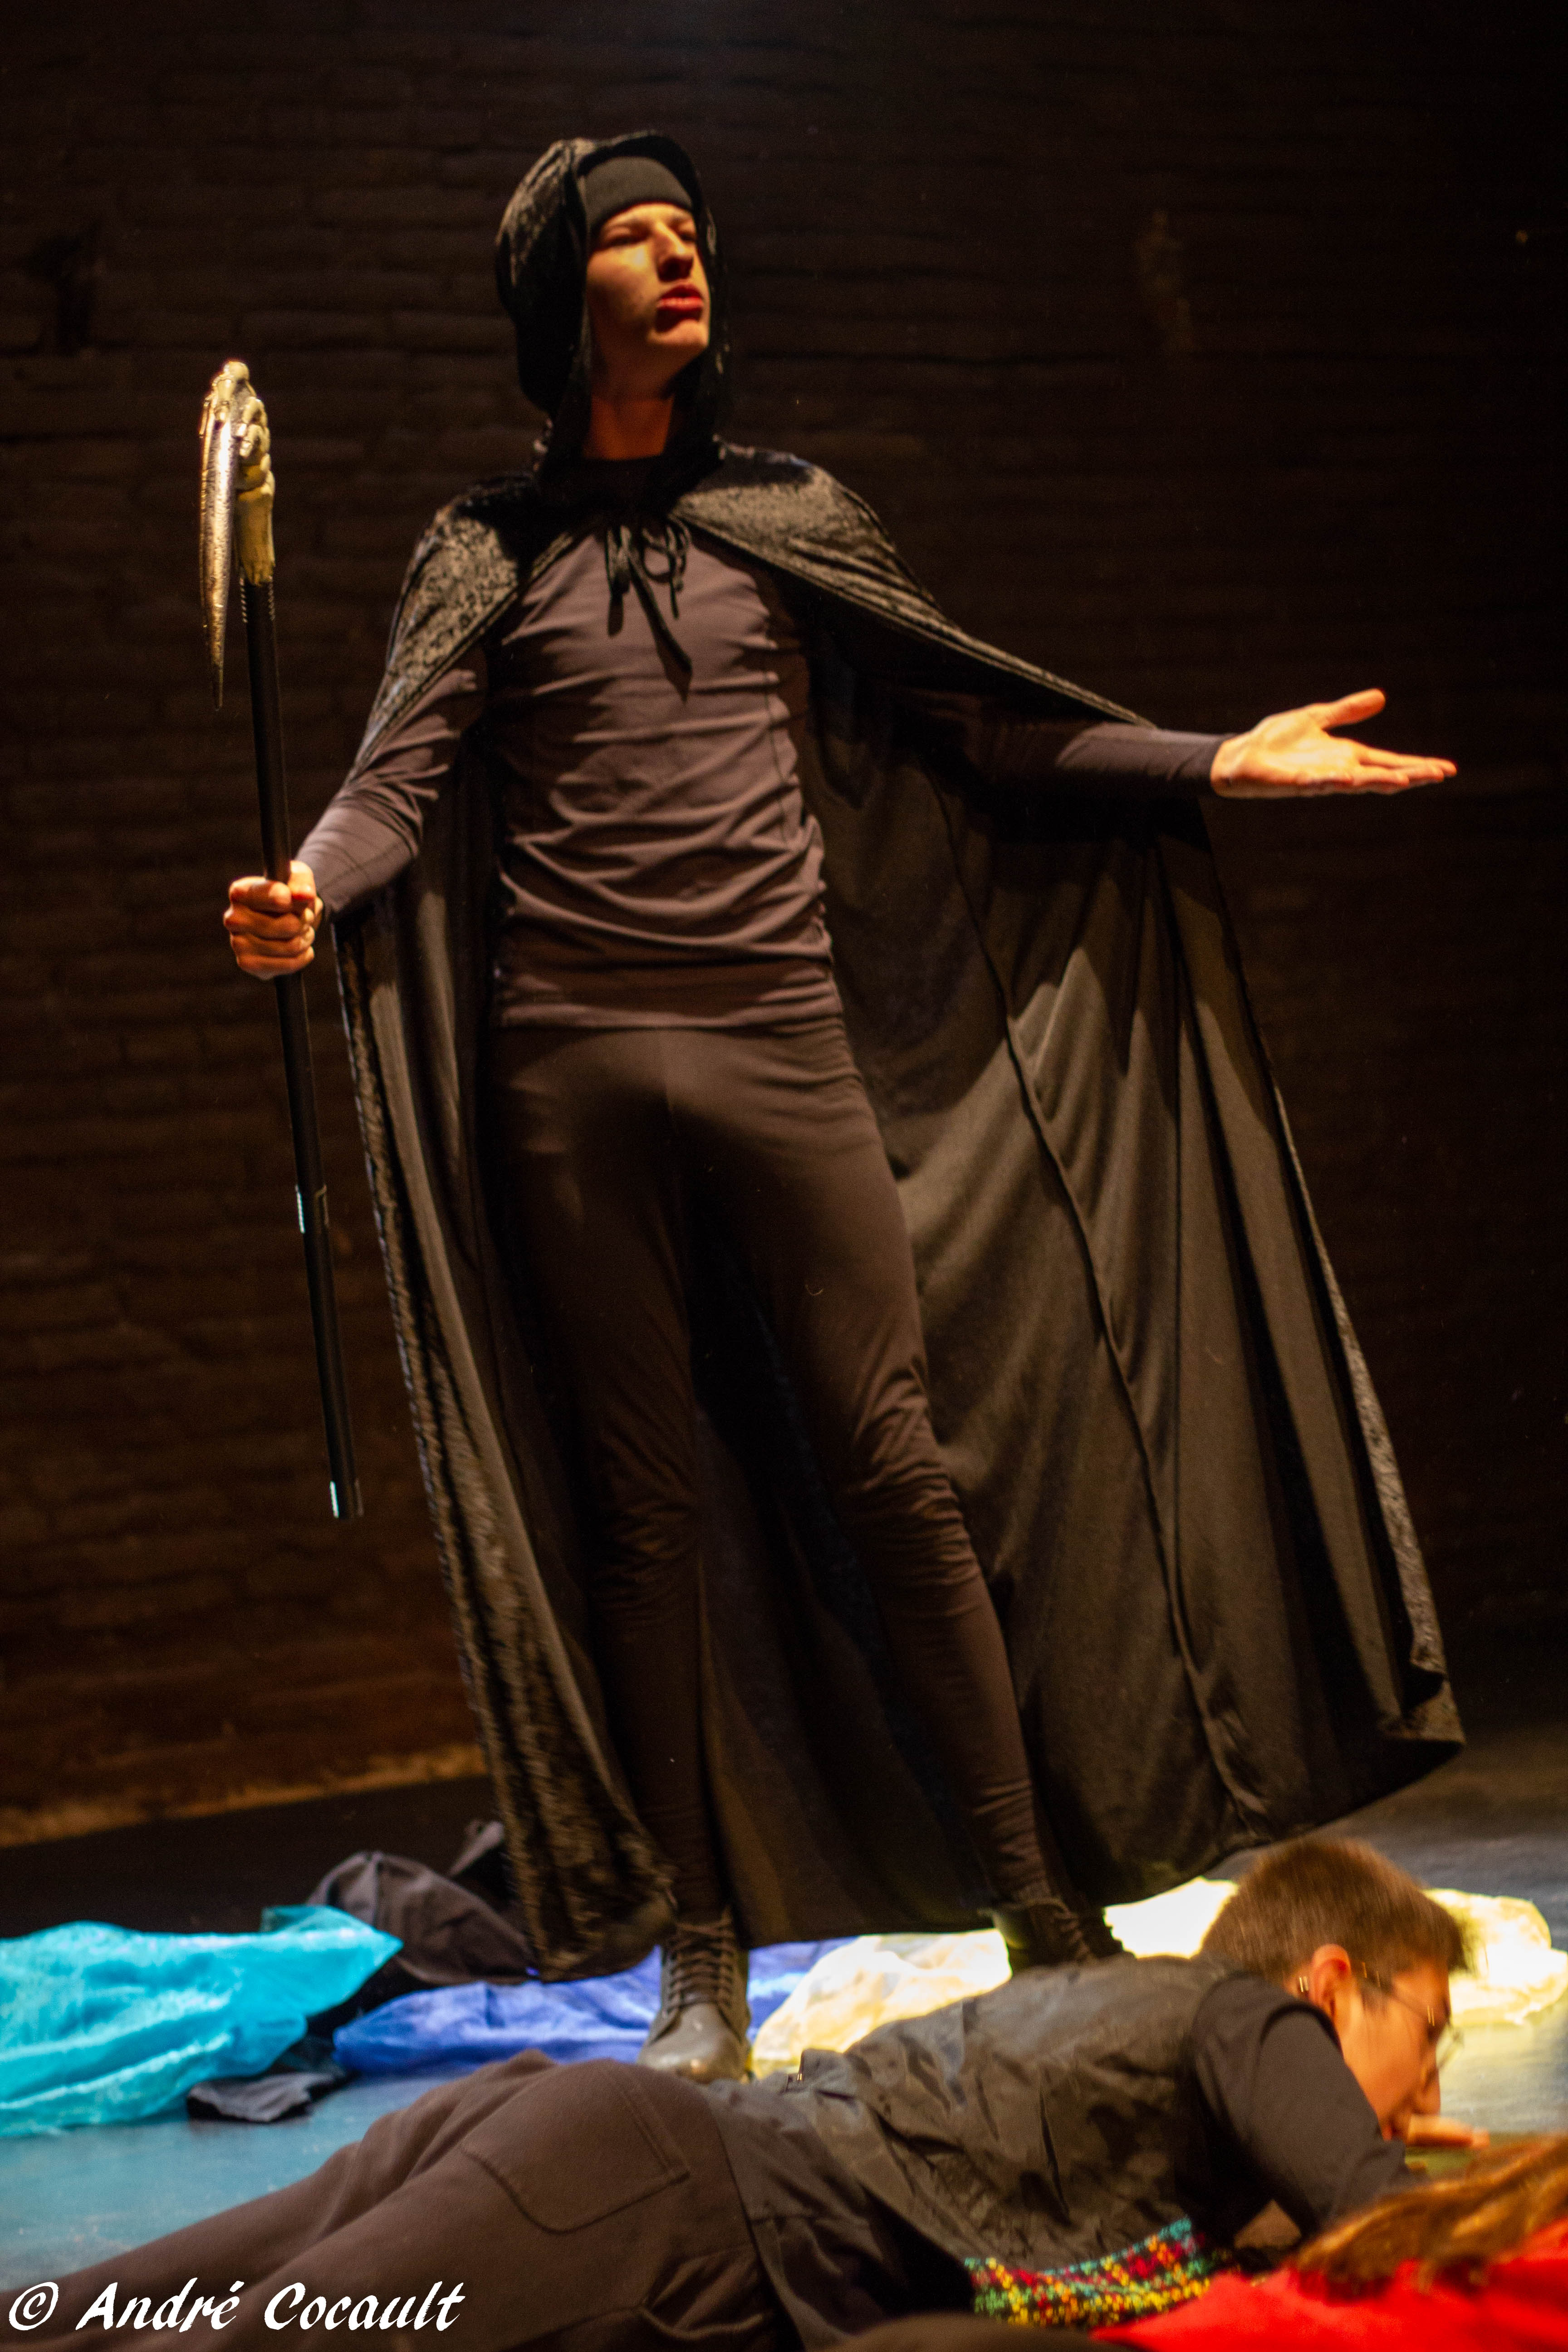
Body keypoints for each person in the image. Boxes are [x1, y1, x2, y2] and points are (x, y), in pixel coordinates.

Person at [221, 132, 1461, 2077]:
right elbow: (398, 784)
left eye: (691, 233)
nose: (679, 258)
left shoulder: (786, 515)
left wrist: (1219, 758)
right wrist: (308, 887)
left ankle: (1038, 1902)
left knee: (901, 1474)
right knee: (643, 1520)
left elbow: (987, 726)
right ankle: (701, 1962)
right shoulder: (487, 550)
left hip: (779, 1045)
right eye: (634, 237)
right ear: (559, 293)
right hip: (571, 1078)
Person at [8, 1842, 1480, 2352]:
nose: (1427, 2086)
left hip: (591, 2153)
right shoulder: (1247, 2019)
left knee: (125, 2310)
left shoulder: (1151, 2044)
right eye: (1427, 2033)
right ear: (1333, 1983)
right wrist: (1451, 2168)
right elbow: (1382, 2225)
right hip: (649, 2202)